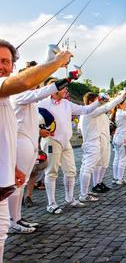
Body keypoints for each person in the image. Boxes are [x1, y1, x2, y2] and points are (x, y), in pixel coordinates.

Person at [0, 39, 72, 263]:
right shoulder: (17, 91)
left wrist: (11, 166)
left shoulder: (14, 93)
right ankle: (16, 219)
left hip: (12, 160)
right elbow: (29, 85)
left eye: (6, 61)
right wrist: (57, 62)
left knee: (1, 232)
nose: (2, 66)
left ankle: (16, 219)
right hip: (21, 146)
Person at [9, 62, 77, 233]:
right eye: (32, 78)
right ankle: (13, 220)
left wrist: (40, 130)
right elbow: (45, 91)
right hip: (19, 142)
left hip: (30, 142)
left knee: (22, 183)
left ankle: (17, 218)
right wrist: (67, 78)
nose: (35, 81)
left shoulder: (29, 96)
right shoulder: (19, 95)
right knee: (17, 184)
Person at [38, 79, 101, 214]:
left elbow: (85, 109)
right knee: (51, 172)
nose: (66, 90)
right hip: (51, 141)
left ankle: (69, 198)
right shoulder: (42, 103)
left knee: (71, 171)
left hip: (66, 142)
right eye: (63, 88)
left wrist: (98, 101)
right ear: (54, 90)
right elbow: (33, 119)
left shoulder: (66, 103)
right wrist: (39, 130)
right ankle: (51, 203)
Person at [78, 91, 126, 202]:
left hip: (97, 141)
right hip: (92, 143)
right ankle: (83, 194)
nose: (99, 102)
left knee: (90, 167)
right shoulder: (89, 111)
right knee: (87, 168)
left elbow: (105, 110)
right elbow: (107, 107)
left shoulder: (94, 112)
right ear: (90, 102)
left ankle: (85, 192)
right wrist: (120, 97)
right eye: (97, 100)